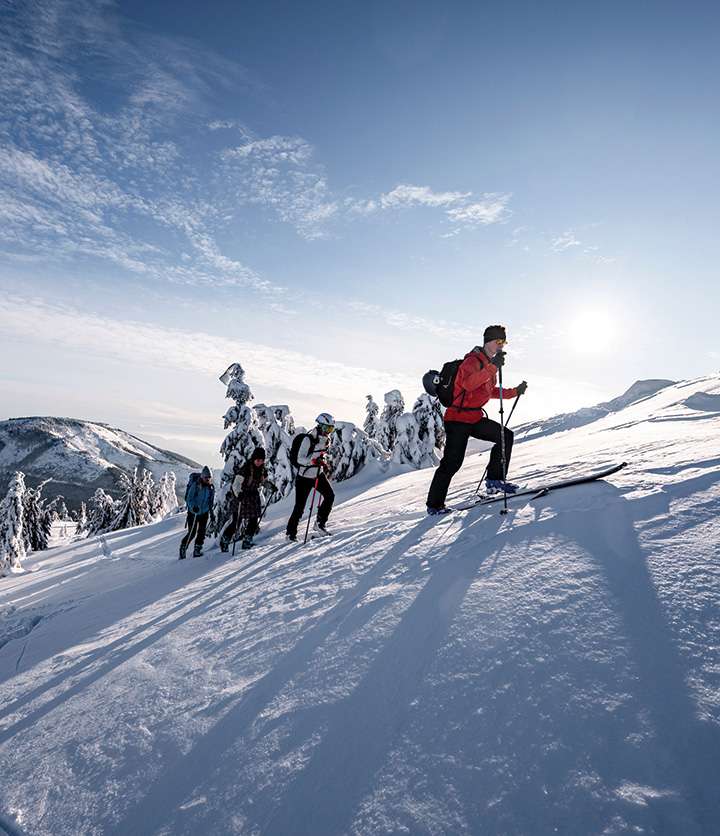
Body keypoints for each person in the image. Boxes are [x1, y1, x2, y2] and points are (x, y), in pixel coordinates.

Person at [426, 325, 528, 514]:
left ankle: (495, 481)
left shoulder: (489, 364)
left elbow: (487, 391)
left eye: (504, 342)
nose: (502, 346)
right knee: (452, 463)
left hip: (473, 417)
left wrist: (515, 392)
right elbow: (469, 384)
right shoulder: (472, 361)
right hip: (457, 420)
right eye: (499, 341)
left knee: (505, 436)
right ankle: (434, 505)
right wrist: (493, 367)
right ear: (488, 342)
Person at [286, 412, 336, 541]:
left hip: (318, 474)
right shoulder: (308, 439)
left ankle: (320, 524)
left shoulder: (326, 440)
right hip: (304, 477)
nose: (328, 432)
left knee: (330, 496)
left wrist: (323, 463)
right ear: (319, 426)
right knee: (300, 507)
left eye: (330, 429)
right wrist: (313, 462)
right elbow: (300, 458)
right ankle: (290, 534)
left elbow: (320, 455)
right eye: (326, 428)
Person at [220, 447, 273, 552]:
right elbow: (236, 484)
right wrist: (238, 494)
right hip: (242, 497)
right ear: (254, 459)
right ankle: (225, 540)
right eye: (258, 460)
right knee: (236, 522)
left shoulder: (262, 470)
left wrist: (270, 486)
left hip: (253, 497)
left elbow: (263, 482)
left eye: (261, 460)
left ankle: (247, 540)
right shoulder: (245, 469)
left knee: (253, 520)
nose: (259, 462)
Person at [180, 465, 215, 558]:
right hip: (193, 513)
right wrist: (193, 507)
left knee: (201, 532)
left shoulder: (211, 488)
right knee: (192, 532)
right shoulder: (196, 485)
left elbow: (210, 502)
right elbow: (188, 498)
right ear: (202, 477)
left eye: (209, 478)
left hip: (204, 512)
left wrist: (212, 514)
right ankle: (183, 548)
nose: (207, 480)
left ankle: (197, 550)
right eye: (206, 478)